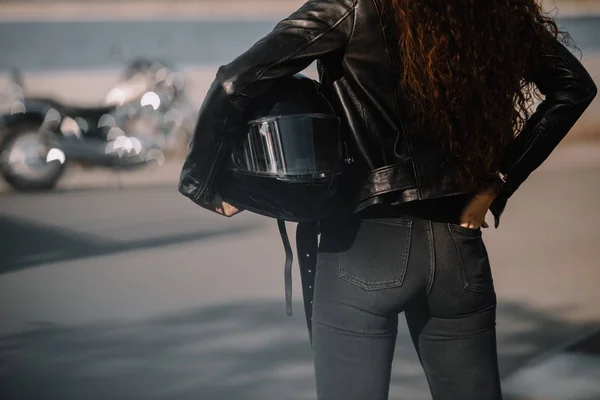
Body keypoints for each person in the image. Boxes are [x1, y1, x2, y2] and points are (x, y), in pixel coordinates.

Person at [178, 0, 597, 398]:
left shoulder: (350, 6)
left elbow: (234, 81)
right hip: (457, 244)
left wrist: (204, 184)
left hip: (361, 248)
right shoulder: (488, 9)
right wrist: (497, 183)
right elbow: (573, 88)